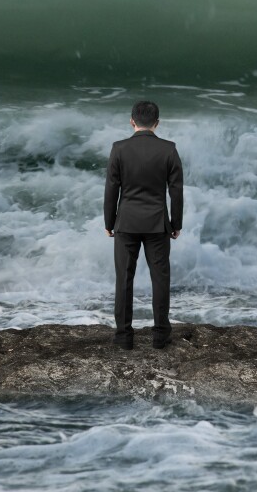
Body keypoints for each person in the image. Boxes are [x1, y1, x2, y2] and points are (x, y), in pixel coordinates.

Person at [103, 100, 183, 350]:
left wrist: (109, 221)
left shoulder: (119, 149)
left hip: (125, 222)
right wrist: (175, 223)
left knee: (124, 279)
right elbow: (176, 192)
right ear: (157, 123)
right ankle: (160, 336)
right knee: (160, 279)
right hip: (158, 224)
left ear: (132, 120)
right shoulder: (169, 149)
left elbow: (111, 189)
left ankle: (124, 337)